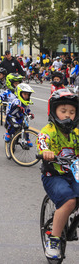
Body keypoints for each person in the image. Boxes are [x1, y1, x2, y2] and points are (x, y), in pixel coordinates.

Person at [37, 89, 79, 260]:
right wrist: (45, 151)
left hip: (73, 174)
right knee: (69, 201)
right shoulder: (49, 131)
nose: (67, 115)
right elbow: (42, 142)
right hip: (53, 175)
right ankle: (53, 239)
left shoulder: (76, 133)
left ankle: (70, 224)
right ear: (54, 112)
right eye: (63, 111)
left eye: (72, 112)